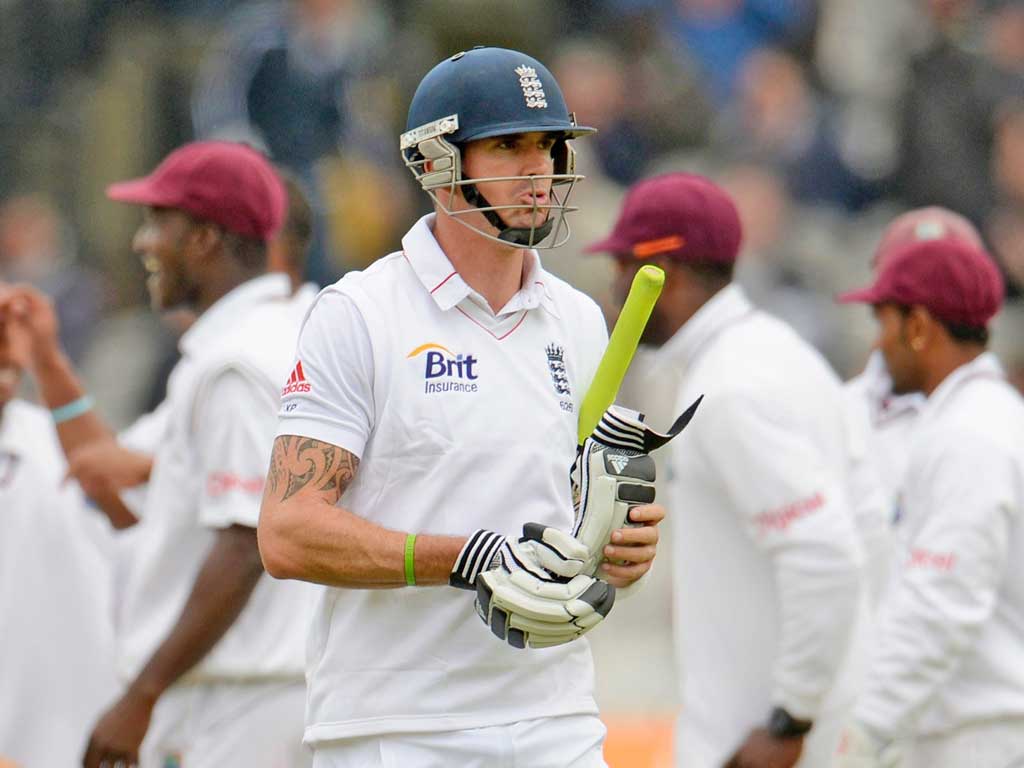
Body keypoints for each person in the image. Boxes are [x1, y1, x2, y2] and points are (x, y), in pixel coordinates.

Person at [257, 46, 665, 767]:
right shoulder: (359, 313)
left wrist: (620, 549)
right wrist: (461, 560)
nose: (538, 168)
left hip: (556, 718)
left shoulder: (577, 321)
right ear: (435, 163)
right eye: (508, 145)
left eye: (548, 145)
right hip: (397, 727)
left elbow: (572, 518)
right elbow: (288, 533)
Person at [0, 140, 314, 768]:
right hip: (258, 694)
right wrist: (47, 360)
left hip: (240, 703)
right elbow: (111, 478)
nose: (142, 243)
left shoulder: (236, 365)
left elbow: (246, 541)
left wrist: (140, 695)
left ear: (202, 239)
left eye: (156, 223)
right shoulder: (266, 342)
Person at [587, 172, 867, 768]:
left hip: (760, 742)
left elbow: (825, 555)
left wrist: (790, 720)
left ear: (665, 270)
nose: (615, 290)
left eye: (622, 267)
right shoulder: (773, 352)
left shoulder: (730, 388)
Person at [834, 238, 1024, 767]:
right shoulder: (978, 417)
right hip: (968, 731)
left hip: (980, 737)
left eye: (884, 324)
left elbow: (941, 604)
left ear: (918, 326)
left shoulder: (972, 434)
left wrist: (866, 731)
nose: (879, 346)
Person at [0, 300, 118, 768]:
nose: (9, 348)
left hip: (79, 744)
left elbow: (126, 503)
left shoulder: (52, 438)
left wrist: (50, 362)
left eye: (11, 330)